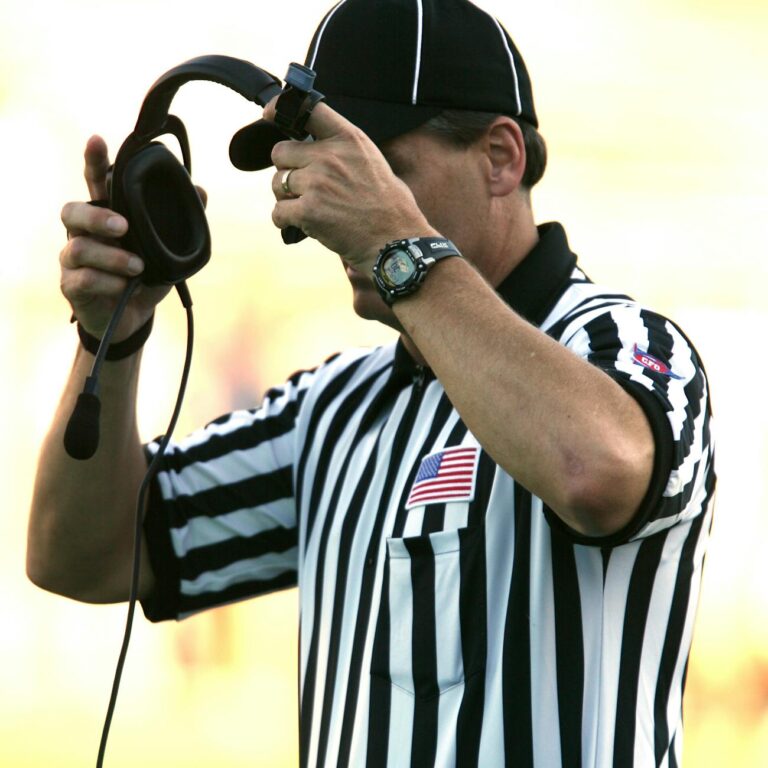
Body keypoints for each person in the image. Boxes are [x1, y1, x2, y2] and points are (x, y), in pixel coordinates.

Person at [27, 0, 715, 766]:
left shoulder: (626, 345)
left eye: (373, 168)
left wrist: (396, 241)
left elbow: (596, 472)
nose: (326, 209)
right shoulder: (331, 409)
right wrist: (109, 339)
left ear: (501, 157)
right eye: (316, 168)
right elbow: (78, 554)